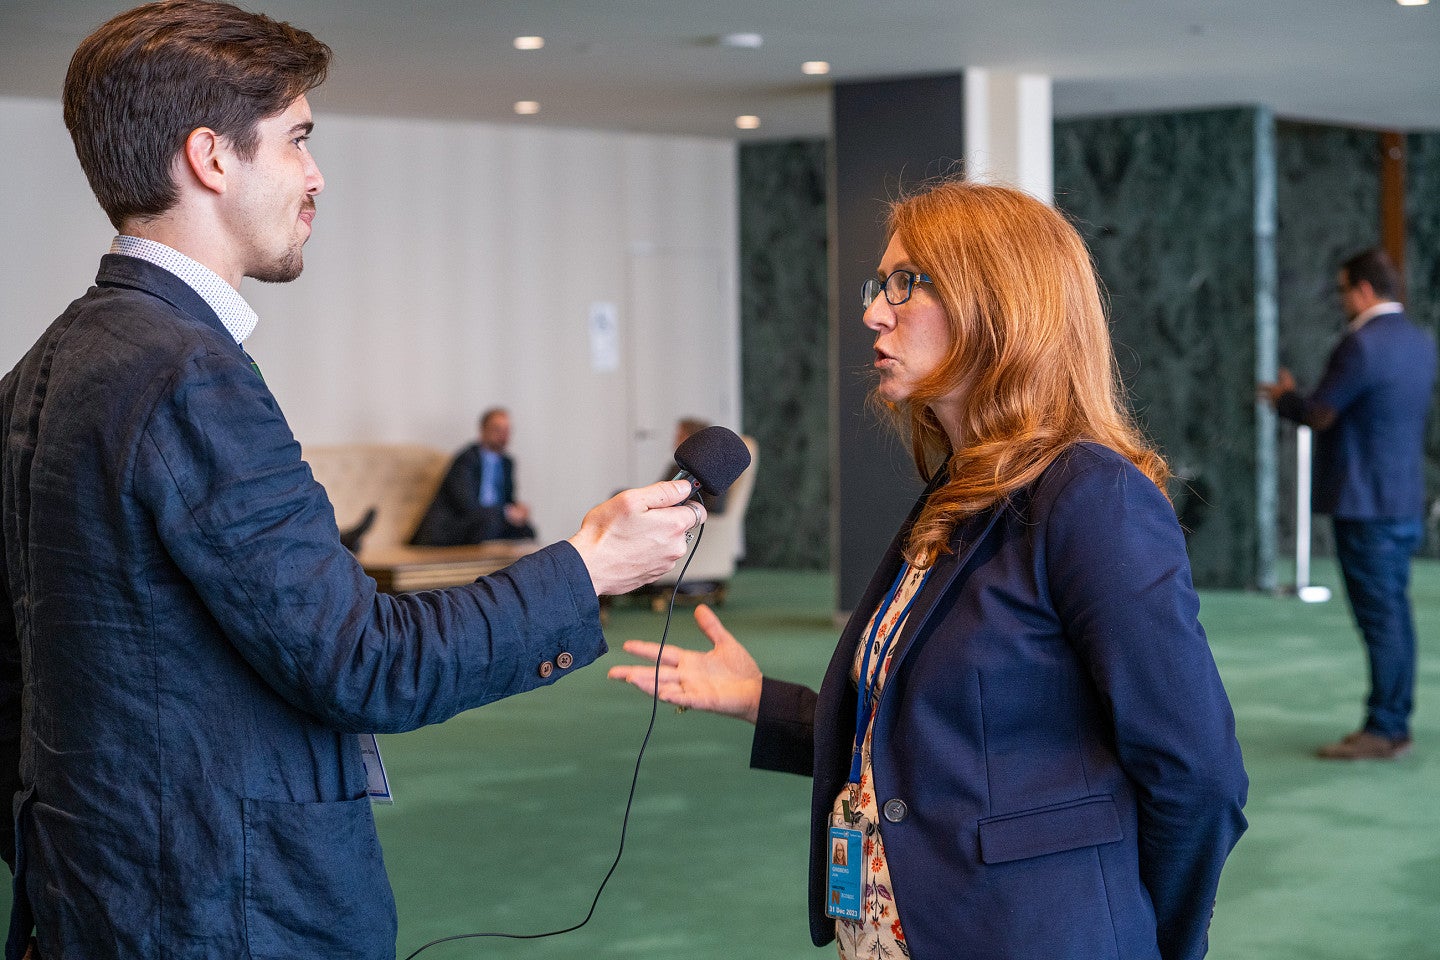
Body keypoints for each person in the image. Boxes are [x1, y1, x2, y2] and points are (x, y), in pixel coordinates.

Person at [0, 3, 705, 958]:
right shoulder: (185, 374)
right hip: (221, 913)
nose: (316, 175)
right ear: (211, 159)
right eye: (297, 140)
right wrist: (589, 566)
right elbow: (367, 661)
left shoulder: (43, 368)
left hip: (95, 895)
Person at [611, 180, 1248, 960]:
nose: (875, 311)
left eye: (905, 284)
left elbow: (1199, 776)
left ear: (999, 303)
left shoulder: (1091, 496)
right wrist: (760, 703)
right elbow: (943, 738)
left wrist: (1148, 942)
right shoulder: (961, 488)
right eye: (879, 285)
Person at [1259, 248, 1436, 760]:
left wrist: (1284, 399)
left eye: (1342, 290)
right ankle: (1392, 719)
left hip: (1364, 505)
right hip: (1403, 498)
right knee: (1395, 614)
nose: (1341, 301)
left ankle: (1385, 727)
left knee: (1380, 618)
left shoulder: (1361, 345)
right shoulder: (1420, 343)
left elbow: (1320, 413)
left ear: (1362, 290)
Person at [411, 407, 536, 545]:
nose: (503, 435)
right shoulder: (467, 459)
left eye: (506, 430)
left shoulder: (507, 463)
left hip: (491, 520)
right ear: (483, 430)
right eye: (497, 429)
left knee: (527, 530)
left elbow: (507, 499)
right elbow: (466, 504)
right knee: (490, 522)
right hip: (460, 523)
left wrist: (517, 510)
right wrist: (505, 512)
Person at [660, 418, 728, 514]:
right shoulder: (676, 468)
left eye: (680, 435)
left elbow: (715, 507)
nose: (675, 439)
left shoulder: (712, 473)